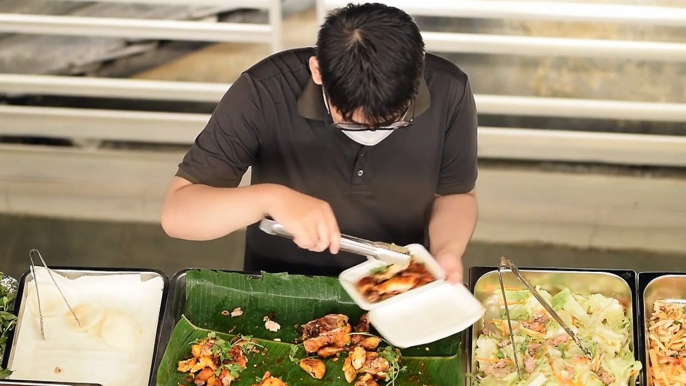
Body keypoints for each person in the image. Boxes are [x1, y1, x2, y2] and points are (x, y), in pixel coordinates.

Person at [160, 2, 478, 283]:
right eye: (350, 121)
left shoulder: (448, 90)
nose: (371, 133)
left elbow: (455, 195)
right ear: (318, 72)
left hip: (398, 281)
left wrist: (447, 252)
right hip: (281, 282)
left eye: (394, 120)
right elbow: (178, 215)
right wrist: (270, 199)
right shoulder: (263, 90)